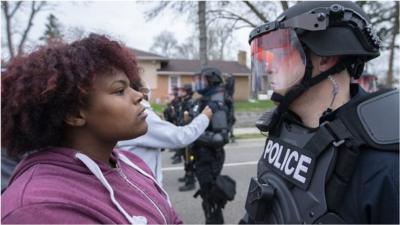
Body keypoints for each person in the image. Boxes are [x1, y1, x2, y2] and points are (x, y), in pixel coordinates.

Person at [241, 1, 399, 224]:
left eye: (281, 52)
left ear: (326, 58)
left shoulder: (384, 166)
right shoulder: (284, 129)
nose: (268, 66)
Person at [1, 34, 182, 224]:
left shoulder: (131, 163)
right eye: (120, 90)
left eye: (132, 86)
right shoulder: (38, 207)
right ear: (75, 115)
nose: (139, 96)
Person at [117, 83, 212, 185]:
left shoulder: (128, 112)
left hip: (136, 182)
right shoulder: (141, 115)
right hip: (142, 186)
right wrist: (204, 118)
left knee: (190, 160)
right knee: (187, 159)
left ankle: (190, 178)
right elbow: (180, 137)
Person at [192, 67, 236, 224]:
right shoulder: (207, 98)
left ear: (212, 80)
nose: (198, 84)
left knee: (212, 198)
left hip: (210, 156)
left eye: (202, 80)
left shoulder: (216, 101)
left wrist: (192, 133)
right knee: (207, 196)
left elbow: (220, 137)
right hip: (203, 155)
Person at [176, 84, 197, 192]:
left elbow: (192, 117)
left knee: (189, 158)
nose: (180, 92)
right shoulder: (183, 101)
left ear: (188, 92)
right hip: (183, 131)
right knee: (185, 156)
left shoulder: (190, 102)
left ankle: (191, 181)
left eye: (183, 90)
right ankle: (187, 175)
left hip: (188, 133)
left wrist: (186, 118)